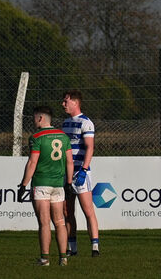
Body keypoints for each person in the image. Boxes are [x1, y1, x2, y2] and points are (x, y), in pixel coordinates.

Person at [20, 104, 73, 267]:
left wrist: (23, 185)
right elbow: (70, 162)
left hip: (42, 184)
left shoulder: (36, 137)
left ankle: (44, 259)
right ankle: (63, 258)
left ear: (41, 118)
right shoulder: (64, 137)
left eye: (35, 117)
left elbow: (32, 162)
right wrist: (69, 183)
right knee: (59, 222)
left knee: (44, 223)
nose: (33, 120)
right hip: (58, 184)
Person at [60, 89, 100, 257]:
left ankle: (95, 248)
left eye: (66, 101)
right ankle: (73, 248)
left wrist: (84, 169)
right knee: (67, 212)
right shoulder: (65, 123)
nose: (63, 104)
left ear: (75, 102)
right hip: (67, 172)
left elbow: (90, 147)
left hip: (81, 173)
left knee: (87, 210)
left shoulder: (86, 123)